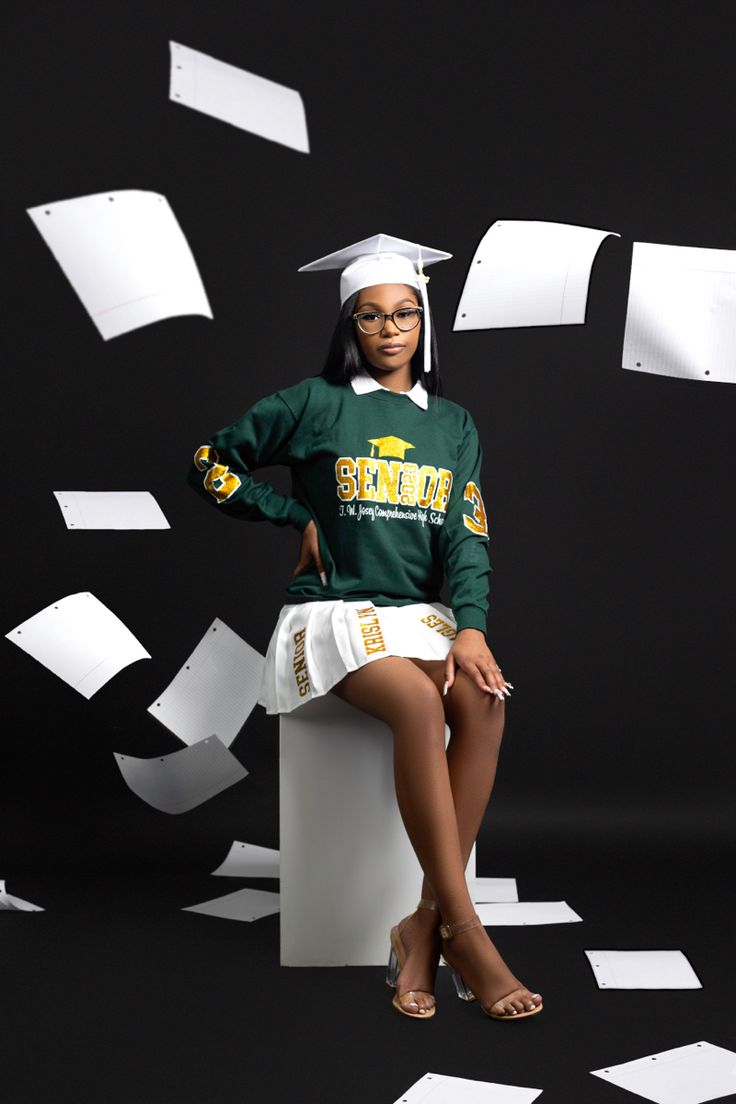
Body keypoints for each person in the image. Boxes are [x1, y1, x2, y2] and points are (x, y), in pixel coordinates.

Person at [188, 234, 543, 1022]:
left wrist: (473, 629)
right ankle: (466, 933)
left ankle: (420, 928)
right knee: (419, 708)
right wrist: (290, 513)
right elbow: (208, 463)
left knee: (484, 702)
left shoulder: (454, 425)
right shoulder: (312, 405)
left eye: (405, 314)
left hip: (419, 619)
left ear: (425, 322)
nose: (389, 331)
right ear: (350, 325)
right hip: (332, 617)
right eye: (371, 317)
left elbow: (467, 537)